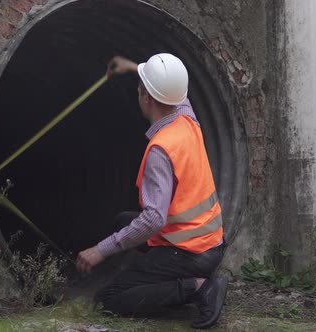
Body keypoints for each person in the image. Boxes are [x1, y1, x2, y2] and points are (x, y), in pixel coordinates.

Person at [75, 53, 228, 329]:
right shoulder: (187, 118)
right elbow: (172, 90)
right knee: (123, 221)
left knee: (108, 299)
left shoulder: (161, 149)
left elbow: (153, 219)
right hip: (211, 241)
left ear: (145, 98)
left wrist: (100, 250)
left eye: (140, 89)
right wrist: (133, 68)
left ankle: (199, 288)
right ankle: (160, 274)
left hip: (189, 253)